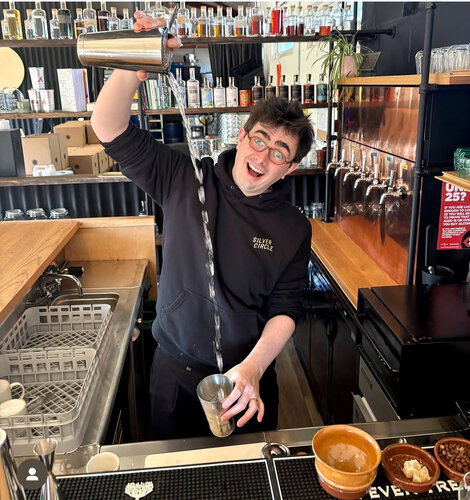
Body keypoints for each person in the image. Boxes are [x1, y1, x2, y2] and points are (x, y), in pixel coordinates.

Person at [91, 11, 314, 440]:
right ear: (242, 137)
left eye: (279, 152)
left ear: (289, 168)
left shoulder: (293, 228)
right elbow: (108, 127)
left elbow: (286, 309)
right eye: (259, 139)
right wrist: (136, 61)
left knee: (248, 472)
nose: (263, 156)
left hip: (248, 379)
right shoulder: (184, 177)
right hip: (176, 372)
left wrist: (253, 368)